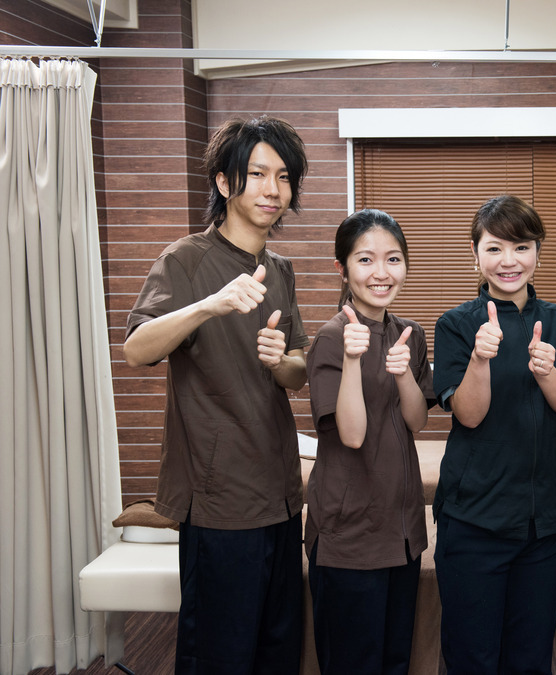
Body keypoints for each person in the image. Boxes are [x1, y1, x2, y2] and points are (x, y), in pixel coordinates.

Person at [123, 115, 309, 674]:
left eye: (282, 176)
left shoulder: (281, 269)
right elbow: (136, 349)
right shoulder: (185, 260)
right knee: (220, 658)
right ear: (226, 183)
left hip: (280, 495)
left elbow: (296, 374)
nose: (272, 189)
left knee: (277, 653)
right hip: (219, 503)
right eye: (256, 173)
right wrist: (210, 304)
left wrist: (284, 360)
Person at [432, 195, 556, 674]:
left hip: (543, 528)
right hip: (473, 521)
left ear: (537, 251)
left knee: (531, 658)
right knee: (472, 658)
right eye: (495, 248)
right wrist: (481, 359)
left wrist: (548, 374)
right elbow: (469, 416)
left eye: (520, 247)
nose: (508, 261)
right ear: (475, 254)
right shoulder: (456, 324)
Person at [304, 209, 435, 674]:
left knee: (394, 660)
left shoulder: (411, 334)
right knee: (353, 664)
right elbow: (353, 435)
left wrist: (402, 375)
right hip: (349, 537)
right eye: (365, 260)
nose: (381, 273)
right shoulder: (330, 338)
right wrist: (355, 360)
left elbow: (416, 421)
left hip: (401, 536)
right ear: (342, 268)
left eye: (393, 259)